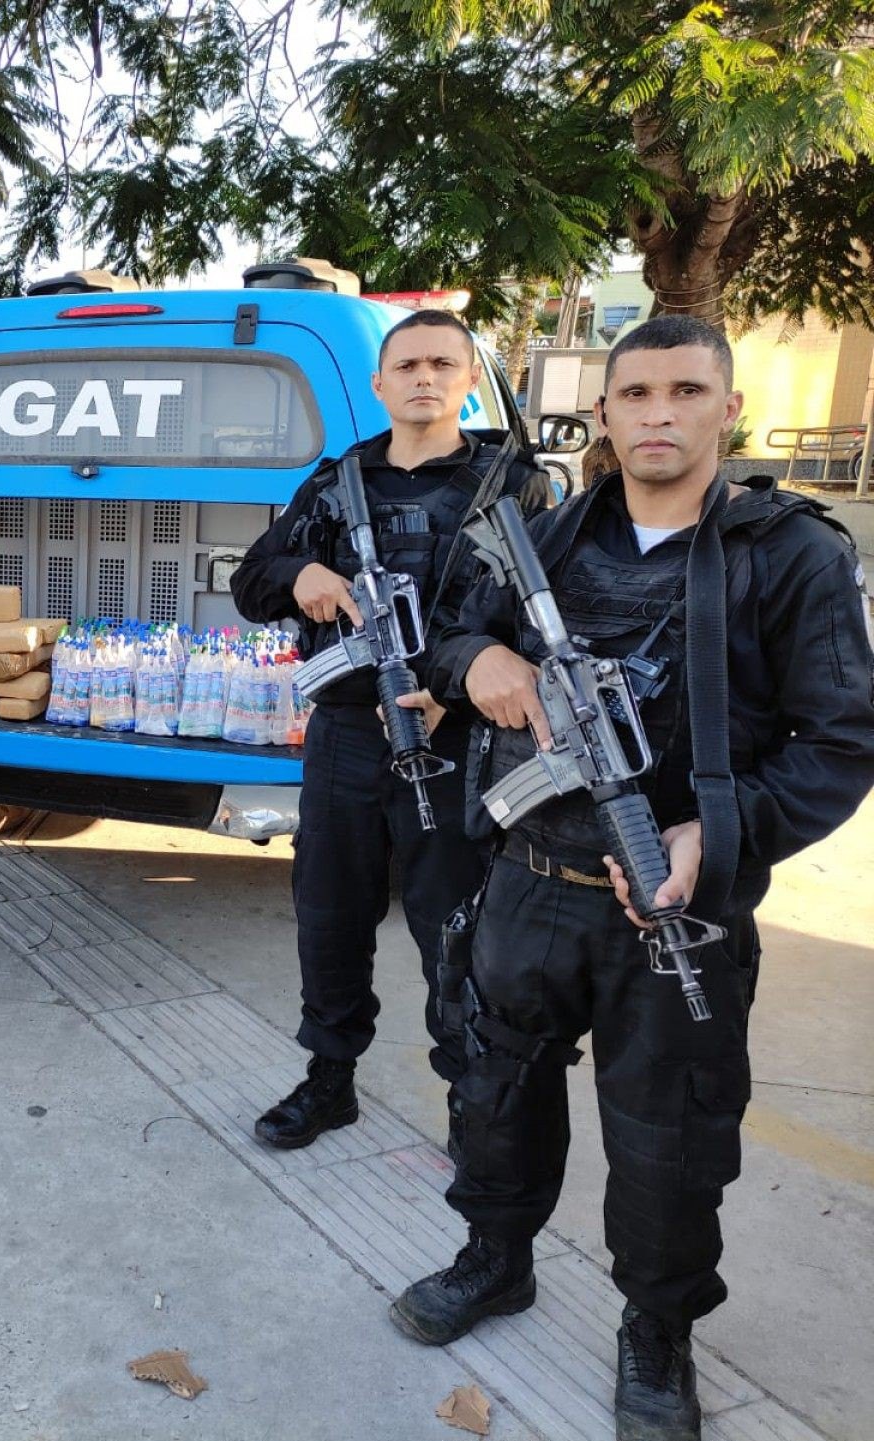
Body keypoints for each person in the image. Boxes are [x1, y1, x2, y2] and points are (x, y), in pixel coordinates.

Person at [391, 316, 874, 1440]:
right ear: (601, 414)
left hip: (670, 902)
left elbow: (843, 739)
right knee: (493, 1088)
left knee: (668, 1137)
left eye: (686, 392)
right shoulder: (548, 538)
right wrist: (482, 661)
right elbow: (450, 634)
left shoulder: (789, 553)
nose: (660, 413)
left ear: (727, 409)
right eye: (637, 393)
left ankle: (656, 1330)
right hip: (525, 877)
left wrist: (723, 832)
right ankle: (495, 1256)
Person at [230, 310, 551, 1151]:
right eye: (407, 364)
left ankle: (469, 1097)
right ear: (379, 384)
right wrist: (301, 571)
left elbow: (548, 612)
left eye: (444, 363)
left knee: (454, 924)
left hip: (454, 739)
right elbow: (251, 576)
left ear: (469, 379)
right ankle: (329, 1079)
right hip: (344, 734)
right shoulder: (340, 482)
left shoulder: (512, 484)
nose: (425, 377)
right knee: (329, 912)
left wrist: (461, 681)